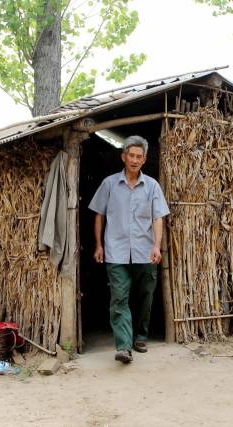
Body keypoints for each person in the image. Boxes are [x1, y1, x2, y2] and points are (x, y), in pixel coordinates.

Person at [88, 135, 170, 364]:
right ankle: (124, 346)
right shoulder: (110, 184)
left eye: (139, 156)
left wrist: (156, 245)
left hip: (145, 251)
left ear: (144, 160)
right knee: (119, 298)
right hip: (116, 251)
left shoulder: (152, 186)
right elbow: (99, 215)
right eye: (131, 155)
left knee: (145, 295)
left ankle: (141, 335)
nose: (134, 160)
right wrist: (98, 245)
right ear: (123, 157)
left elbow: (158, 218)